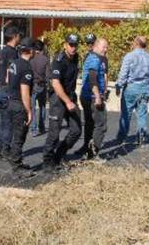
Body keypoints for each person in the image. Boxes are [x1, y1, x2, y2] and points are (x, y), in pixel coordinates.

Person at [43, 33, 82, 172]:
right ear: (65, 45)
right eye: (71, 45)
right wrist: (67, 102)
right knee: (54, 133)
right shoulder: (59, 60)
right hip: (58, 99)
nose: (73, 48)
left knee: (76, 130)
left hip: (71, 97)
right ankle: (47, 162)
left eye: (75, 45)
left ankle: (58, 156)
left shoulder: (76, 57)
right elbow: (55, 83)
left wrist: (71, 100)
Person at [115, 36, 149, 145]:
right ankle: (141, 137)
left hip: (131, 87)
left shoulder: (129, 56)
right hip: (144, 88)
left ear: (136, 43)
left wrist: (118, 86)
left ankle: (122, 137)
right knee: (142, 113)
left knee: (126, 113)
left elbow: (123, 74)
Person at [3, 37, 35, 174]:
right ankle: (16, 166)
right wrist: (29, 111)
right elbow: (25, 91)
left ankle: (17, 161)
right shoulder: (26, 67)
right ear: (31, 51)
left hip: (10, 101)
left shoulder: (14, 63)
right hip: (19, 105)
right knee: (19, 136)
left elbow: (7, 80)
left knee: (14, 134)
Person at [78, 38, 109, 158]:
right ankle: (92, 154)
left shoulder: (94, 57)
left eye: (107, 47)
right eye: (104, 47)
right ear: (96, 46)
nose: (106, 50)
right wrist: (98, 96)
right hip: (92, 97)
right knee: (101, 125)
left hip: (87, 96)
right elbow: (92, 78)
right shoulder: (94, 59)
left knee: (90, 124)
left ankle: (86, 148)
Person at [0, 27, 21, 161]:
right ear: (14, 36)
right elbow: (11, 73)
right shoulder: (11, 53)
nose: (20, 38)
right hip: (6, 90)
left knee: (3, 122)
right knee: (8, 123)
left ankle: (1, 150)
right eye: (19, 36)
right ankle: (5, 151)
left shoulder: (3, 51)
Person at [29, 39, 49, 136]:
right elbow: (48, 75)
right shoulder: (45, 59)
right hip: (42, 85)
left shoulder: (31, 58)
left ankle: (33, 129)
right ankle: (41, 127)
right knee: (42, 107)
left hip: (33, 85)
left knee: (32, 108)